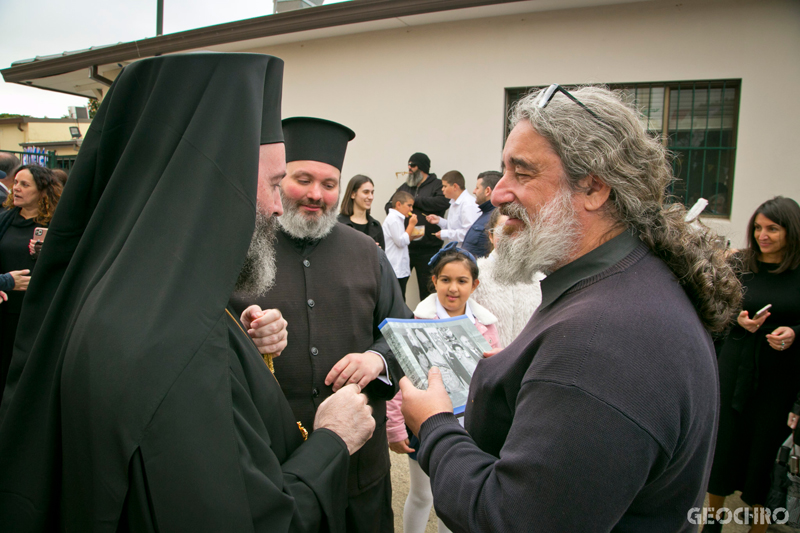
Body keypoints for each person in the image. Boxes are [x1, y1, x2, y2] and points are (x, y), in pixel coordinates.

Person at [0, 53, 377, 532]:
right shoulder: (172, 350)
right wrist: (332, 440)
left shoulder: (126, 300)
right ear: (211, 181)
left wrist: (238, 347)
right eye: (274, 182)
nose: (277, 207)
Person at [398, 85, 742, 532]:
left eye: (521, 173)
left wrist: (434, 426)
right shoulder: (626, 284)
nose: (499, 193)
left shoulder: (605, 339)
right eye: (503, 171)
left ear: (595, 188)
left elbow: (511, 520)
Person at [230, 116, 411, 533]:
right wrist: (245, 332)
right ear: (279, 180)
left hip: (359, 470)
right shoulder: (243, 250)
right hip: (275, 474)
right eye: (303, 179)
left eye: (329, 184)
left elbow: (404, 334)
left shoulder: (367, 252)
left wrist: (376, 360)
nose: (316, 194)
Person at [386, 243, 499, 533]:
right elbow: (402, 377)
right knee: (423, 493)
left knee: (455, 496)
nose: (453, 288)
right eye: (445, 280)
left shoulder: (485, 324)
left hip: (468, 424)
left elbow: (494, 371)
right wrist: (396, 427)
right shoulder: (417, 321)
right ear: (434, 281)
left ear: (474, 285)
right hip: (424, 422)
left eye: (462, 281)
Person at [705, 196, 800, 533]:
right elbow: (713, 309)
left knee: (762, 453)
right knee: (723, 448)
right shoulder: (740, 265)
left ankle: (757, 528)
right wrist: (737, 320)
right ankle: (712, 523)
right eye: (758, 228)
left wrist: (794, 333)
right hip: (735, 368)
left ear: (791, 230)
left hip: (778, 378)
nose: (763, 235)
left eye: (773, 228)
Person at [0, 164, 61, 401]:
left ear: (43, 191)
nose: (16, 188)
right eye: (15, 183)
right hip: (6, 309)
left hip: (38, 311)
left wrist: (47, 253)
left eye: (24, 184)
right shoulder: (4, 220)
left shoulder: (56, 226)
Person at [471, 209, 544, 348]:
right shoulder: (475, 275)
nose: (510, 236)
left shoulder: (539, 280)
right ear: (491, 236)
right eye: (502, 229)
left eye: (518, 230)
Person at [386, 152, 450, 300]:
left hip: (429, 249)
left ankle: (427, 322)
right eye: (408, 165)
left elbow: (443, 202)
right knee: (397, 289)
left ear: (422, 168)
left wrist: (415, 201)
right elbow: (390, 205)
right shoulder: (406, 186)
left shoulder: (437, 185)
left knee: (427, 291)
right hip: (406, 248)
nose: (409, 168)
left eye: (413, 165)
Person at [425, 171, 481, 247]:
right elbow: (454, 227)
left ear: (455, 186)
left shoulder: (468, 204)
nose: (442, 189)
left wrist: (446, 234)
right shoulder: (454, 202)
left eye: (445, 186)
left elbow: (469, 233)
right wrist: (439, 221)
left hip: (466, 251)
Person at [383, 190, 418, 295]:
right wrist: (411, 225)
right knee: (399, 298)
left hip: (399, 268)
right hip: (395, 268)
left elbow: (400, 239)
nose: (411, 209)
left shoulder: (398, 219)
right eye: (409, 206)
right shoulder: (393, 219)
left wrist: (412, 236)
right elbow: (400, 242)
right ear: (398, 204)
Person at [338, 174, 385, 249]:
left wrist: (377, 253)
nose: (371, 197)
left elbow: (382, 258)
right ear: (353, 194)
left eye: (372, 192)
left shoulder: (376, 225)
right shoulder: (338, 224)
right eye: (366, 192)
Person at [461, 171, 500, 258]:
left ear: (487, 191)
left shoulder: (495, 218)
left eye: (477, 188)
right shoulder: (486, 214)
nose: (474, 191)